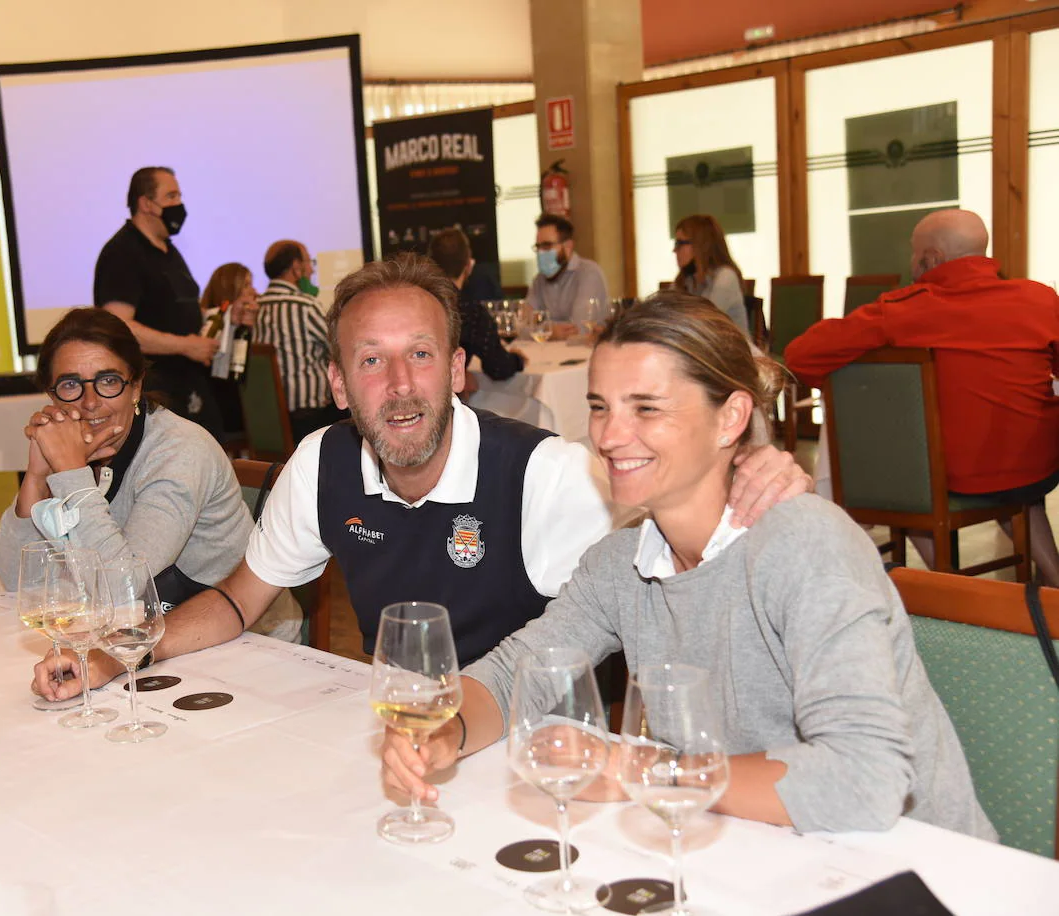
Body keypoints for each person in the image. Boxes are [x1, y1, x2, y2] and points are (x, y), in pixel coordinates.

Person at [31, 256, 809, 701]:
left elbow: (687, 574)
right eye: (372, 360)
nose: (399, 384)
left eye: (422, 354)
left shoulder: (545, 476)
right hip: (407, 735)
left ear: (460, 370)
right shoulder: (324, 464)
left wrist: (747, 475)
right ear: (337, 383)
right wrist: (122, 655)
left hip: (526, 756)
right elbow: (240, 600)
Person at [383, 291, 995, 841]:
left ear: (730, 417)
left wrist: (635, 768)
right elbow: (521, 671)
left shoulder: (805, 545)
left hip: (915, 869)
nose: (612, 435)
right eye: (600, 407)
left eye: (647, 408)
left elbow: (864, 781)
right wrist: (447, 731)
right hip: (762, 852)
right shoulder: (622, 562)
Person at [785, 208, 1059, 586]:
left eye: (914, 254)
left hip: (957, 476)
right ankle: (1054, 580)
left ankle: (958, 589)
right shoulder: (1041, 299)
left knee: (900, 484)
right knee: (1012, 478)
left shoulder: (907, 310)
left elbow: (801, 355)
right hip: (1036, 468)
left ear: (931, 259)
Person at [0, 307, 300, 640]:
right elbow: (17, 581)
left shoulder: (179, 452)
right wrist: (38, 476)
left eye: (108, 381)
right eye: (70, 385)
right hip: (145, 635)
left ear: (136, 387)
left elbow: (120, 590)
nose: (90, 402)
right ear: (52, 397)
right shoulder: (75, 455)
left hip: (247, 645)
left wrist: (71, 473)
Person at [93, 166, 224, 441]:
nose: (179, 204)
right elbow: (119, 327)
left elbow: (177, 308)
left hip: (191, 383)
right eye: (171, 196)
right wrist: (186, 345)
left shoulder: (169, 250)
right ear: (146, 203)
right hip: (155, 390)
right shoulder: (123, 253)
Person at [253, 240, 345, 442]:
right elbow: (340, 350)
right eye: (308, 262)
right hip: (309, 418)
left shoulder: (256, 308)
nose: (311, 270)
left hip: (267, 418)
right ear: (296, 267)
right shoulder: (305, 306)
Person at [427, 227, 522, 383]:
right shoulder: (470, 310)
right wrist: (518, 360)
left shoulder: (419, 303)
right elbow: (498, 367)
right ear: (468, 265)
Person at [198, 262, 259, 445]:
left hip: (244, 406)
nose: (254, 291)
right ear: (230, 290)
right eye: (247, 285)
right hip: (219, 410)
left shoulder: (248, 324)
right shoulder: (208, 326)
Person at [527, 214, 608, 338]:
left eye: (547, 246)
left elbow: (580, 328)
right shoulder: (539, 280)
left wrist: (543, 328)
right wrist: (552, 332)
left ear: (568, 246)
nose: (540, 253)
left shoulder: (588, 273)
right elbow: (522, 325)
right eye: (538, 247)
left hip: (585, 353)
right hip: (549, 353)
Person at [673, 213, 749, 339]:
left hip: (734, 354)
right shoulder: (686, 279)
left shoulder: (725, 277)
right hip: (705, 351)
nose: (674, 250)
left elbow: (705, 325)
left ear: (701, 245)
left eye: (680, 243)